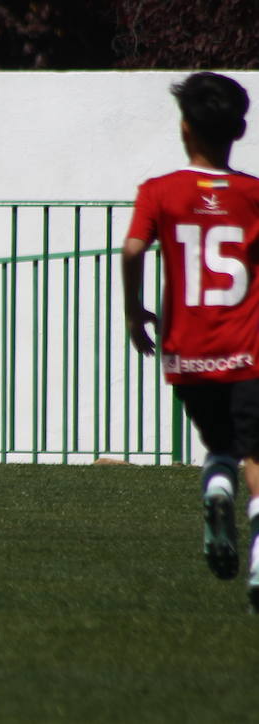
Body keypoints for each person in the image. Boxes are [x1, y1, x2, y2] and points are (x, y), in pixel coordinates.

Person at [122, 72, 259, 609]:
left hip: (188, 354)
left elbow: (133, 250)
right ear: (238, 131)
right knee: (256, 453)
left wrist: (135, 313)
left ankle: (217, 485)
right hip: (249, 351)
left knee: (221, 445)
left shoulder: (159, 192)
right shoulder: (253, 194)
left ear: (185, 128)